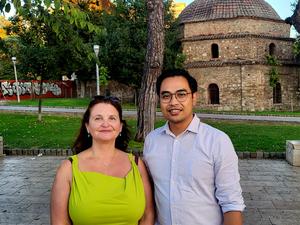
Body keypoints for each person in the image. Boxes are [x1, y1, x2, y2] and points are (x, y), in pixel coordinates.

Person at [143, 69, 245, 225]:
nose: (173, 102)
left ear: (194, 97)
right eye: (166, 96)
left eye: (181, 94)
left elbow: (231, 203)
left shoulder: (217, 141)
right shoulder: (152, 141)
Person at [51, 96, 154, 225]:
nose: (105, 124)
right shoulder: (68, 169)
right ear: (87, 126)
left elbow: (147, 216)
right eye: (98, 118)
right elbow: (60, 222)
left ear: (120, 126)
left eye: (112, 118)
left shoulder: (137, 166)